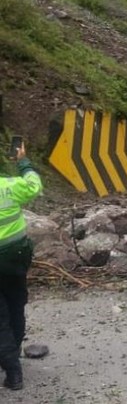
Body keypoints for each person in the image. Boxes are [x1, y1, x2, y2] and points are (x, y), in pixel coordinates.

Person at [0, 139, 42, 391]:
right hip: (16, 258)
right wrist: (23, 161)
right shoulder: (10, 186)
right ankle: (12, 356)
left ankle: (12, 369)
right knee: (16, 307)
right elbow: (34, 185)